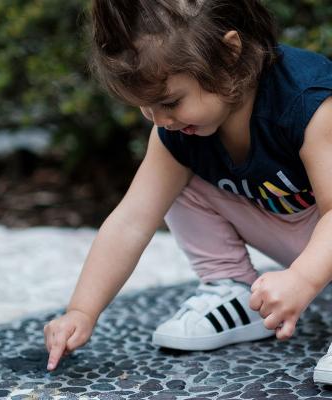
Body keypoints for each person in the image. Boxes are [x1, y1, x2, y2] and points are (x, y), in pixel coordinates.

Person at [44, 0, 332, 383]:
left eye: (169, 102)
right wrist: (81, 310)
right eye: (146, 108)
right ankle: (234, 289)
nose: (161, 120)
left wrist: (303, 280)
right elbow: (131, 220)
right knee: (175, 175)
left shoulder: (308, 103)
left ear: (230, 54)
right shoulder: (180, 132)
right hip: (302, 229)